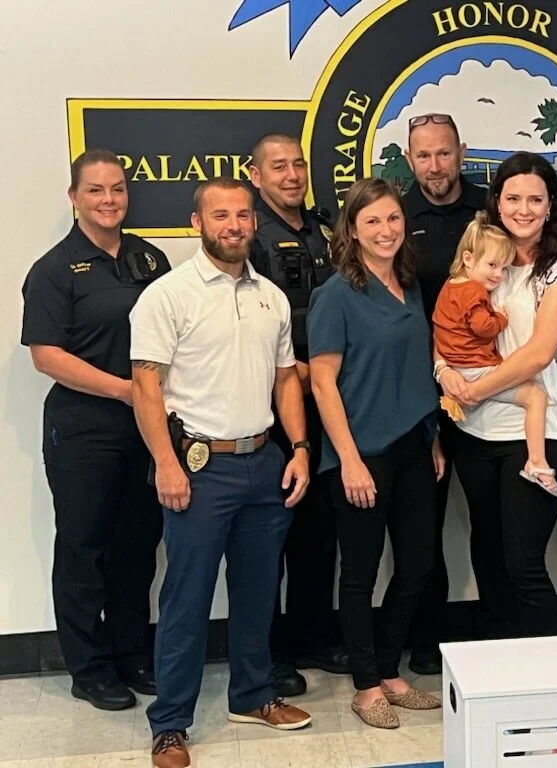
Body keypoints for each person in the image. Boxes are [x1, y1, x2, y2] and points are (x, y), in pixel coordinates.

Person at [131, 178, 312, 768]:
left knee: (260, 591)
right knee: (186, 599)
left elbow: (287, 377)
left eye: (242, 215)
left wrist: (301, 448)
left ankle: (253, 695)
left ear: (254, 222)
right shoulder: (168, 295)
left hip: (264, 460)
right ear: (196, 222)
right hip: (198, 466)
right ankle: (170, 725)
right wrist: (165, 463)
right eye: (220, 215)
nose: (233, 225)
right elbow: (145, 385)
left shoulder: (272, 296)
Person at [20, 149, 170, 711]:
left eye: (117, 190)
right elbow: (47, 355)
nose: (108, 200)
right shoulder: (55, 269)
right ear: (74, 197)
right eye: (96, 190)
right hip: (85, 431)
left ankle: (133, 654)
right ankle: (89, 668)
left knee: (138, 547)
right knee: (86, 549)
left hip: (147, 430)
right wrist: (125, 391)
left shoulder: (150, 259)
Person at [308, 178, 444, 729]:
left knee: (417, 564)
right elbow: (321, 383)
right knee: (360, 572)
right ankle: (366, 685)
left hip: (415, 443)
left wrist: (432, 436)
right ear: (352, 231)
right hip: (362, 451)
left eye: (392, 219)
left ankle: (389, 669)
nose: (385, 231)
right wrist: (349, 460)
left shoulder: (408, 285)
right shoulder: (336, 294)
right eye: (372, 222)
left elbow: (416, 369)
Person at [437, 152, 557, 640]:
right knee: (489, 556)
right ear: (497, 203)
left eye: (535, 199)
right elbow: (446, 331)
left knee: (523, 564)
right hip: (474, 433)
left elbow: (539, 354)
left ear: (550, 208)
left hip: (536, 435)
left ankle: (548, 685)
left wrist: (474, 390)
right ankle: (501, 679)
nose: (524, 209)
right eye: (514, 197)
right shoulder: (480, 262)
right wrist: (442, 371)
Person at [248, 133, 349, 697]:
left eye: (298, 165)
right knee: (273, 536)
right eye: (278, 167)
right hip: (276, 405)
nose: (291, 175)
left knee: (319, 531)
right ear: (256, 175)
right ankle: (271, 652)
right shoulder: (252, 237)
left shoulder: (324, 229)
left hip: (326, 404)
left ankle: (313, 634)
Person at [403, 113, 487, 675]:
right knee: (421, 524)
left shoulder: (489, 210)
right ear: (410, 161)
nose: (435, 166)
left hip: (488, 390)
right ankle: (427, 638)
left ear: (460, 151)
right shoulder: (394, 216)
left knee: (492, 516)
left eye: (444, 153)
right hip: (420, 395)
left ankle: (502, 629)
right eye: (423, 157)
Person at [434, 212, 557, 497]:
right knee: (536, 396)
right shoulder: (474, 292)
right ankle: (537, 462)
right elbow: (483, 327)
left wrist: (443, 366)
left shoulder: (450, 285)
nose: (498, 275)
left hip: (458, 367)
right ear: (468, 259)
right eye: (492, 265)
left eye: (504, 269)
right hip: (475, 370)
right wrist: (501, 318)